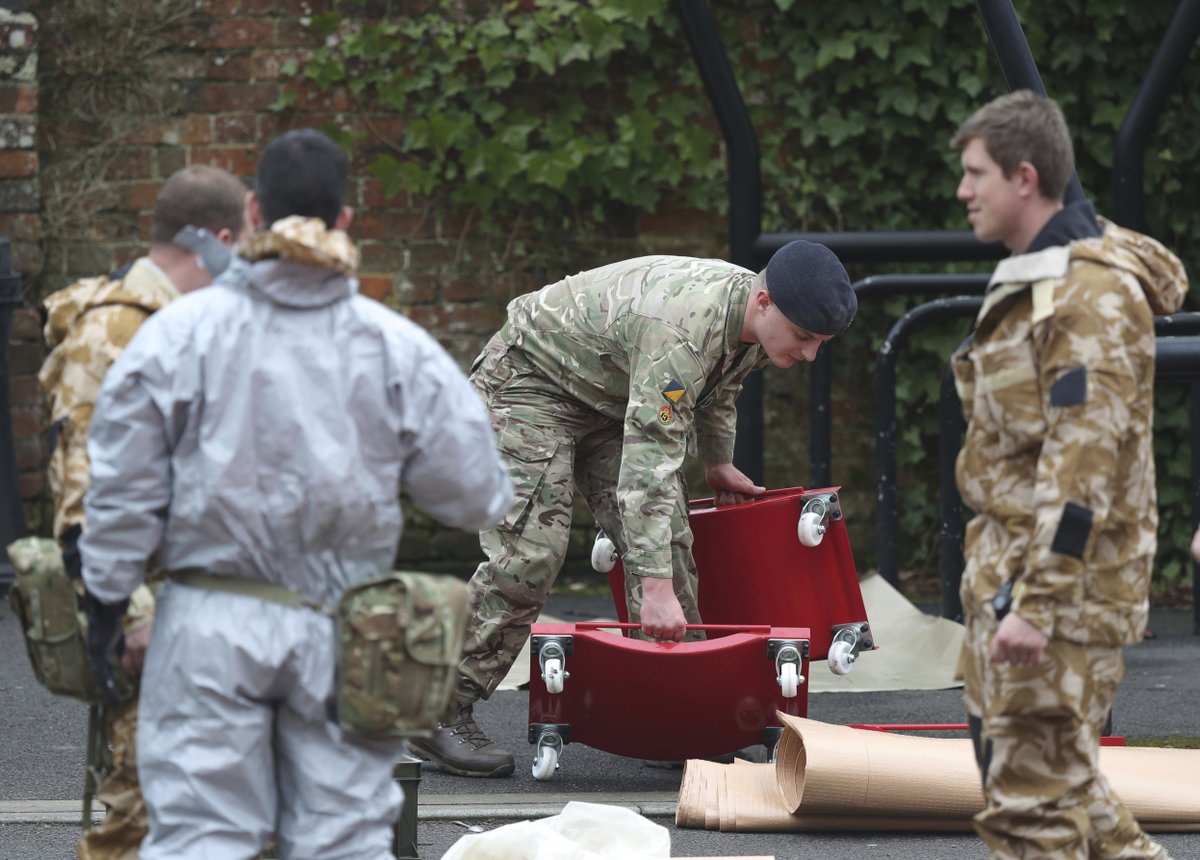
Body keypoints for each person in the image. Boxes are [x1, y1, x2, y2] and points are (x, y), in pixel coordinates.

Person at [78, 129, 513, 859]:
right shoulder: (394, 348)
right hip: (341, 632)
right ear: (345, 220)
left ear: (254, 212)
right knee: (342, 841)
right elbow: (477, 496)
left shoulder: (177, 337)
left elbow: (119, 490)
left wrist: (107, 603)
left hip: (207, 623)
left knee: (202, 838)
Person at [409, 240, 857, 777]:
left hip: (609, 394)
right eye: (804, 338)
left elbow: (721, 384)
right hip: (530, 384)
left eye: (821, 344)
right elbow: (651, 465)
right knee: (531, 555)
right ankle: (434, 712)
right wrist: (656, 590)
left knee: (667, 539)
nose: (809, 355)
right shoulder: (683, 331)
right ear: (763, 302)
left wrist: (718, 462)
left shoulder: (756, 318)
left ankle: (678, 716)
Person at [950, 90, 1187, 859]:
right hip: (1014, 582)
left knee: (1032, 817)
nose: (963, 190)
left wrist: (1038, 606)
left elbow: (1084, 460)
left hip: (1057, 599)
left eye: (976, 172)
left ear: (1026, 178)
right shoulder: (1042, 271)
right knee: (1076, 797)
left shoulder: (1088, 294)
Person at [37, 164, 249, 860]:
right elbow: (86, 501)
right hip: (150, 619)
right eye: (243, 242)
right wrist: (132, 617)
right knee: (145, 820)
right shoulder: (115, 336)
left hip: (205, 612)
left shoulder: (186, 327)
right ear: (218, 238)